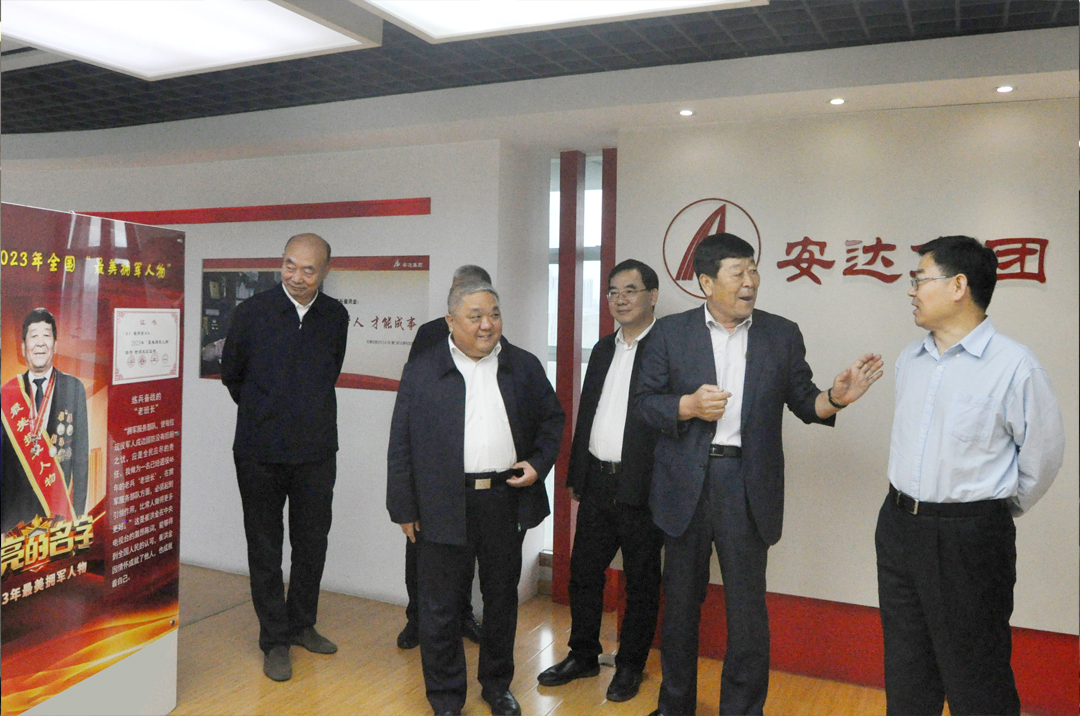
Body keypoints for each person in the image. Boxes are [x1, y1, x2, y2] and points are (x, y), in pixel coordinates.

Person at [634, 233, 883, 716]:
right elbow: (644, 405)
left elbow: (805, 401)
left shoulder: (780, 334)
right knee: (680, 606)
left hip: (746, 485)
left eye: (753, 270)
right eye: (737, 273)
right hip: (685, 485)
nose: (750, 282)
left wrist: (836, 398)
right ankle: (675, 706)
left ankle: (744, 710)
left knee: (747, 611)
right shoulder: (670, 333)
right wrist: (687, 406)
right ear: (707, 282)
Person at [876, 235, 1064, 716]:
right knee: (906, 669)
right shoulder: (910, 359)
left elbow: (1042, 458)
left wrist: (987, 511)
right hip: (898, 526)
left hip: (970, 537)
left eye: (920, 279)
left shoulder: (1014, 365)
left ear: (958, 286)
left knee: (976, 678)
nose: (912, 290)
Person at [387, 280, 564, 716]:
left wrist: (538, 463)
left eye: (494, 314)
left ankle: (497, 685)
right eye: (476, 316)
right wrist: (403, 507)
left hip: (504, 498)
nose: (487, 325)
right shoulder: (423, 370)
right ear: (451, 321)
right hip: (441, 502)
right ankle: (446, 698)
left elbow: (553, 419)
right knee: (440, 607)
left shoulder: (522, 365)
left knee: (501, 599)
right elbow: (400, 443)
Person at [221, 233, 349, 682]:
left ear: (326, 271)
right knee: (265, 546)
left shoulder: (335, 316)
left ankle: (302, 624)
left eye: (308, 269)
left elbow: (330, 371)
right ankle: (274, 639)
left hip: (316, 450)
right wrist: (267, 412)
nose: (296, 276)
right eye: (289, 265)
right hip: (259, 452)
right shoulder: (251, 313)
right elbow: (232, 375)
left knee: (312, 543)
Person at [537, 259, 663, 702]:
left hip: (644, 487)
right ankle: (583, 655)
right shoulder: (604, 348)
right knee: (584, 573)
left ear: (653, 296)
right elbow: (587, 413)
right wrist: (577, 473)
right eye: (613, 291)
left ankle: (630, 665)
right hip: (598, 481)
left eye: (630, 290)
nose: (620, 299)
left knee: (641, 581)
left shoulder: (668, 348)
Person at [397, 265, 492, 650]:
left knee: (465, 551)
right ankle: (416, 618)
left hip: (471, 466)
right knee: (420, 547)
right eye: (457, 291)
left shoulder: (492, 336)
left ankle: (463, 614)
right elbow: (412, 399)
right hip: (431, 466)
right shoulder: (429, 333)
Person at [1, 308, 89, 533]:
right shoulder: (7, 394)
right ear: (23, 346)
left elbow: (81, 460)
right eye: (33, 336)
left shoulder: (74, 388)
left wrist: (77, 518)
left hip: (58, 517)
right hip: (15, 521)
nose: (40, 343)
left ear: (55, 344)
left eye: (46, 335)